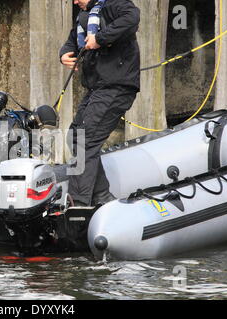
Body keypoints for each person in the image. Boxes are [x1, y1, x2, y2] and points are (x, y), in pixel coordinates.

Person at [60, 0, 141, 207]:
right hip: (97, 88)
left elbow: (132, 18)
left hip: (117, 87)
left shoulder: (113, 4)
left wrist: (100, 39)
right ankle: (101, 196)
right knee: (74, 137)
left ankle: (78, 204)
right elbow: (73, 39)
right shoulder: (84, 14)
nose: (74, 1)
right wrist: (64, 53)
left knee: (85, 140)